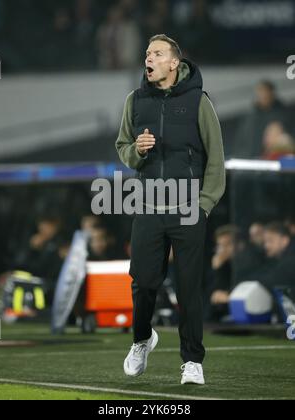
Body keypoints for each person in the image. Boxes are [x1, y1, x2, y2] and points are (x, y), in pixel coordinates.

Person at [115, 34, 226, 385]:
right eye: (147, 53)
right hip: (148, 207)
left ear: (174, 63)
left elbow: (216, 160)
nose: (149, 58)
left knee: (189, 287)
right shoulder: (134, 100)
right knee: (144, 283)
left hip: (189, 208)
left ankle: (192, 360)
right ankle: (142, 339)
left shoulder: (199, 102)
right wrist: (137, 150)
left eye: (157, 53)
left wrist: (204, 204)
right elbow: (123, 147)